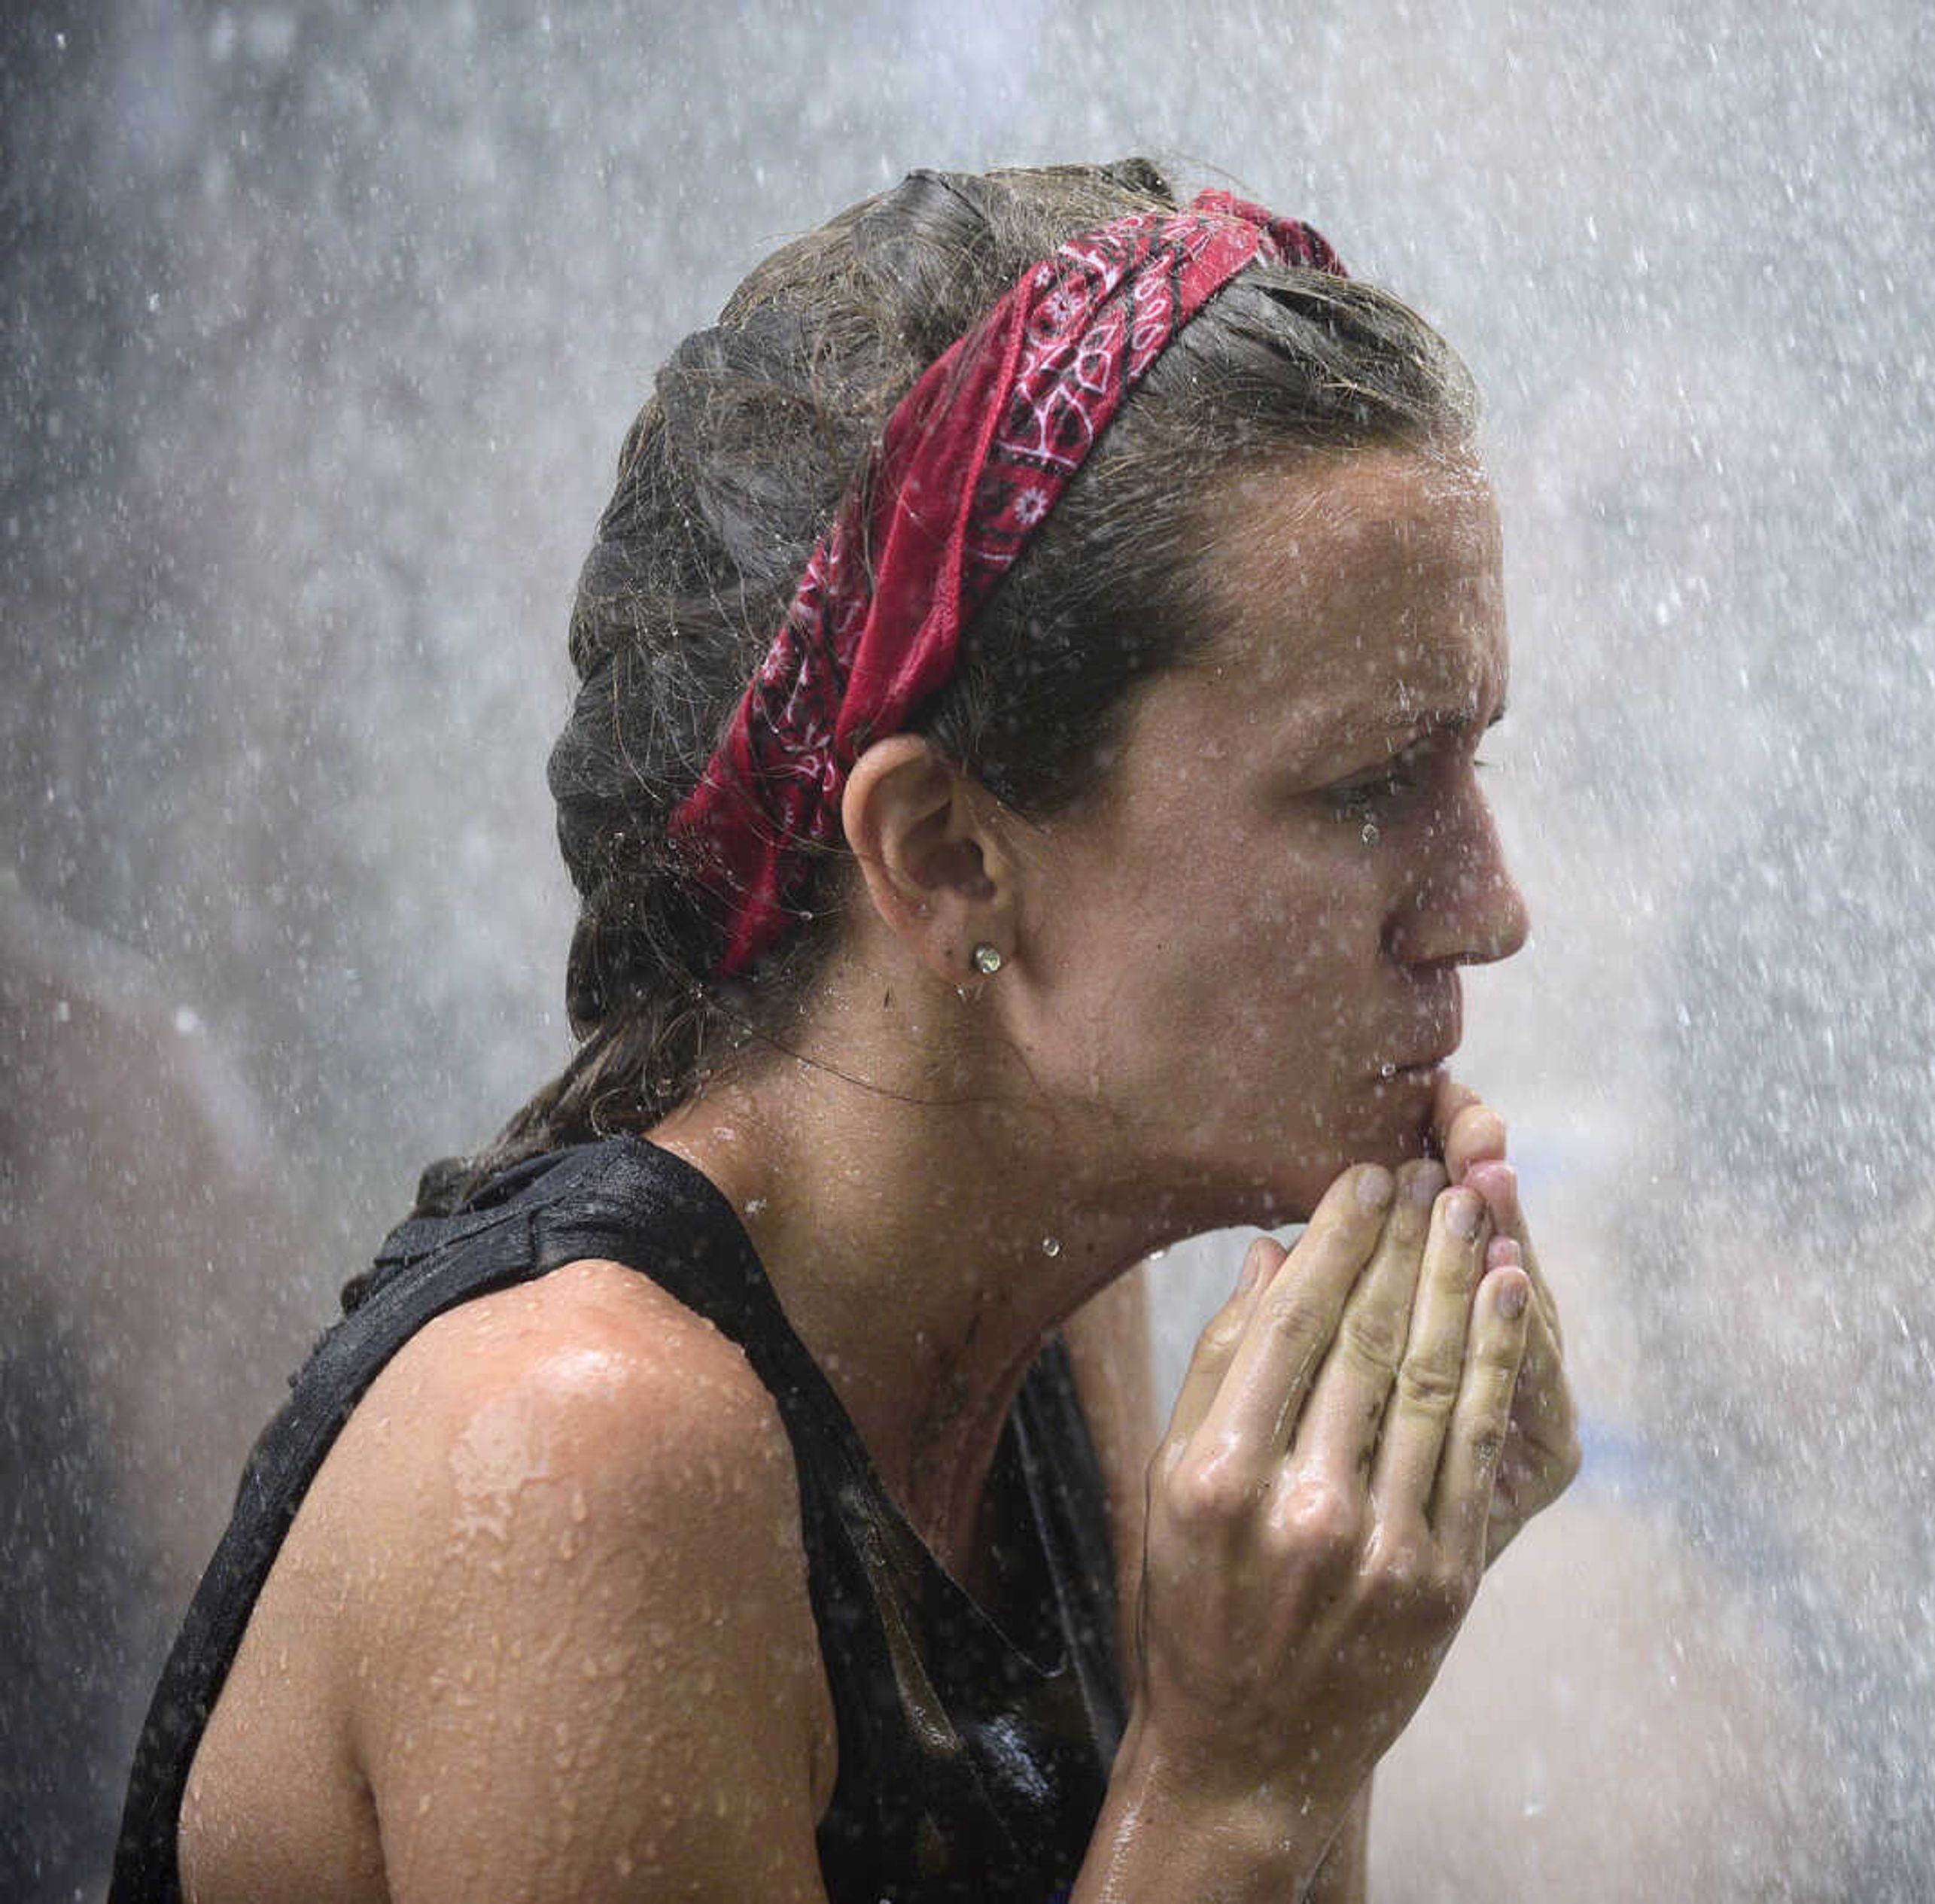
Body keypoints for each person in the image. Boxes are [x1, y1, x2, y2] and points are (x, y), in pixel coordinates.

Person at [108, 160, 1579, 1903]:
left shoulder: (1051, 1300)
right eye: (1369, 785)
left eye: (1470, 756)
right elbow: (1220, 1826)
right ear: (948, 856)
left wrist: (1309, 1700)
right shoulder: (588, 1463)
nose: (1492, 905)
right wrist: (1243, 1774)